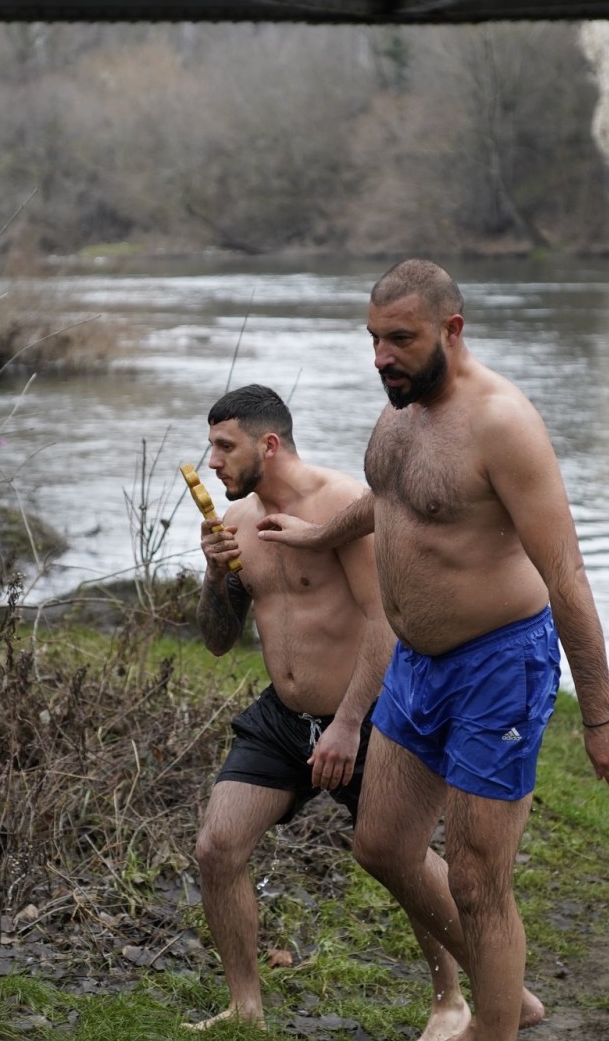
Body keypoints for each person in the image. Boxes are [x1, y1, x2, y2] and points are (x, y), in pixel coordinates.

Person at [256, 260, 609, 1041]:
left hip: (499, 666)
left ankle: (493, 1024)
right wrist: (318, 533)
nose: (381, 357)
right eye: (373, 338)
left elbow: (566, 574)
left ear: (452, 330)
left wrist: (600, 715)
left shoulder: (502, 424)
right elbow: (391, 499)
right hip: (415, 663)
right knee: (381, 844)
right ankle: (507, 998)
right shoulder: (398, 411)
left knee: (476, 881)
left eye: (400, 339)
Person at [185, 383, 472, 1039]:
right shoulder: (234, 523)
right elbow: (218, 641)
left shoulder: (343, 506)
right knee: (216, 848)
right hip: (284, 717)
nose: (212, 462)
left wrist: (346, 724)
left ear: (269, 444)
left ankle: (453, 1000)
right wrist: (215, 575)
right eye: (210, 448)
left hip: (366, 715)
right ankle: (246, 1009)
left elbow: (384, 622)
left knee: (402, 860)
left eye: (224, 446)